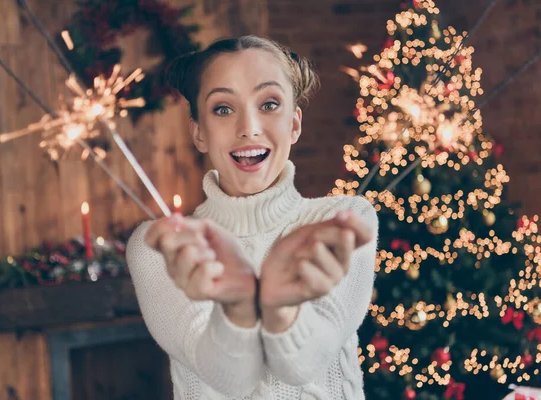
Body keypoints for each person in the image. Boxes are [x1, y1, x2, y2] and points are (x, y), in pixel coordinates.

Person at [126, 35, 378, 400]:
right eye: (223, 109)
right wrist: (239, 309)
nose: (249, 127)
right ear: (198, 132)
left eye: (269, 103)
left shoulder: (342, 221)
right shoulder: (163, 246)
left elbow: (304, 364)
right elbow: (230, 378)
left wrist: (281, 307)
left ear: (294, 125)